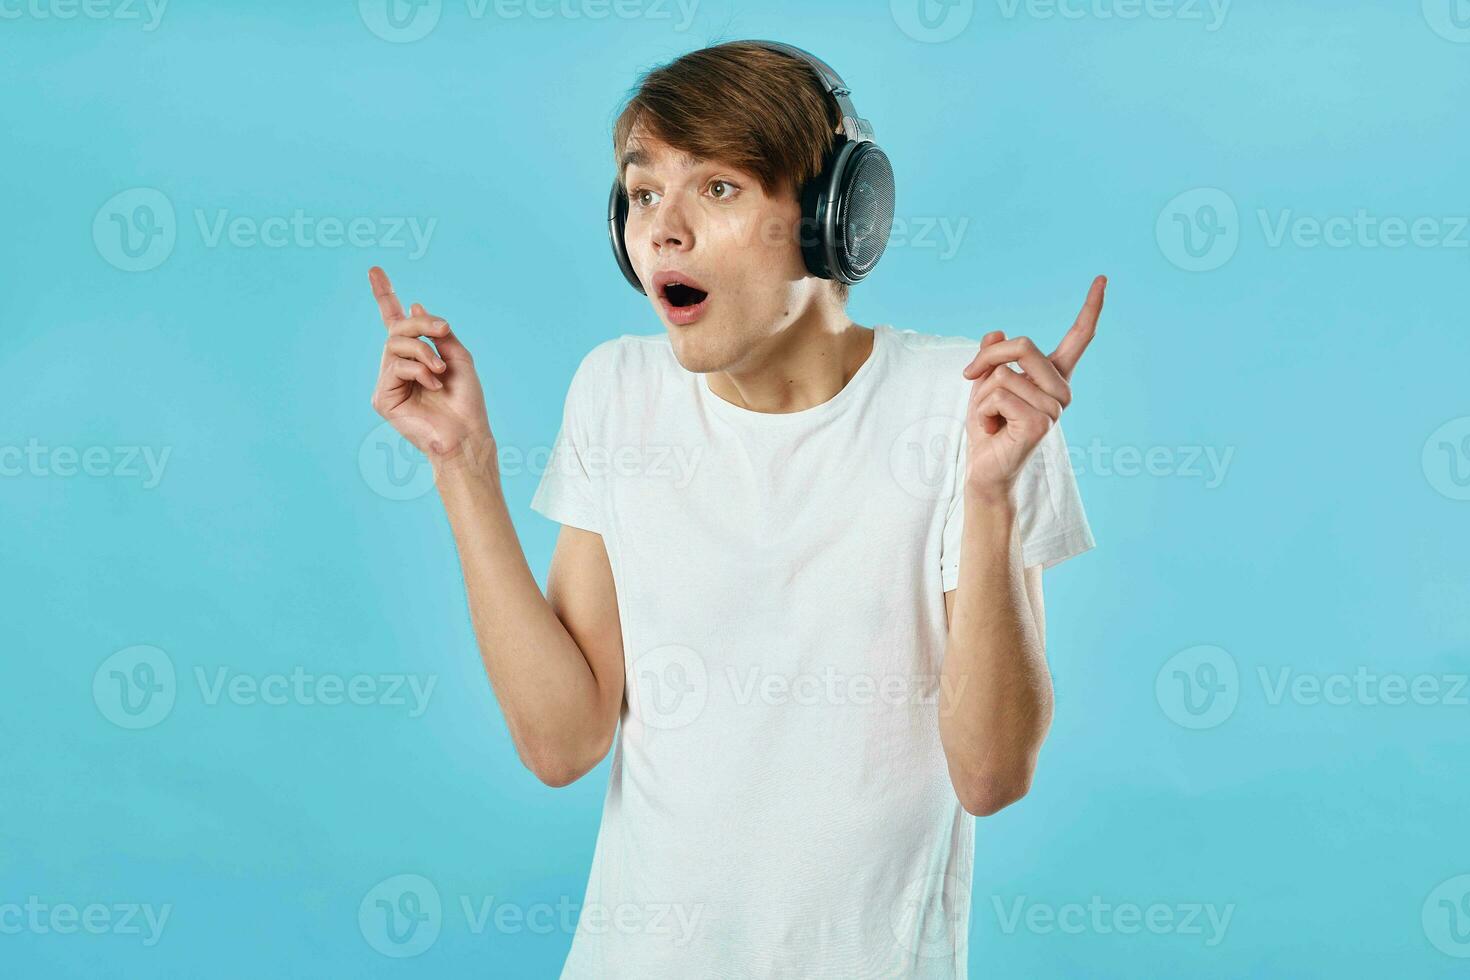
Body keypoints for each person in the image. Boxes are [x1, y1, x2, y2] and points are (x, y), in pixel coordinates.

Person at [365, 38, 1102, 980]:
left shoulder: (968, 409)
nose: (662, 230)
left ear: (836, 219)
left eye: (717, 189)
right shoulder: (617, 391)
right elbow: (562, 742)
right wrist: (463, 466)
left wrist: (993, 497)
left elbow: (993, 777)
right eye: (641, 194)